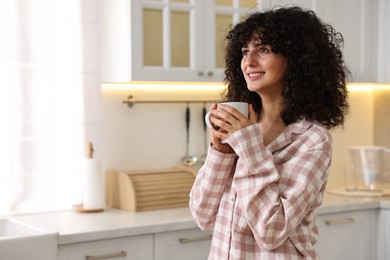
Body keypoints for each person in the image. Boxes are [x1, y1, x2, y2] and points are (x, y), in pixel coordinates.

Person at [189, 6, 349, 259]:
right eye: (245, 51)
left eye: (263, 50)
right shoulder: (239, 128)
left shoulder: (311, 140)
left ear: (296, 58)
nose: (249, 62)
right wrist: (220, 152)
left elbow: (272, 230)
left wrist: (249, 146)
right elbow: (202, 214)